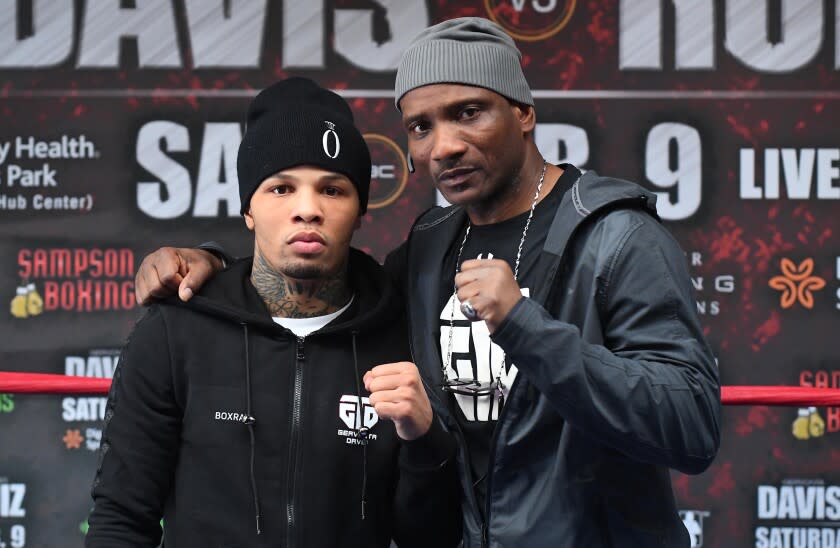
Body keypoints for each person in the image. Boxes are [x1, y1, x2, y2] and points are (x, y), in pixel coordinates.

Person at [134, 18, 721, 548]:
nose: (444, 146)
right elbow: (326, 288)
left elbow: (690, 427)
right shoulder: (431, 245)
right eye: (420, 126)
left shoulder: (618, 238)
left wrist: (525, 326)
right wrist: (206, 267)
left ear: (523, 112)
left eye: (468, 112)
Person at [86, 77, 462, 548]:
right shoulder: (176, 331)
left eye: (333, 190)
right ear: (249, 209)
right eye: (281, 189)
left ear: (360, 209)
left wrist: (425, 441)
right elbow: (121, 520)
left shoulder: (403, 331)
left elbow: (432, 537)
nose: (307, 210)